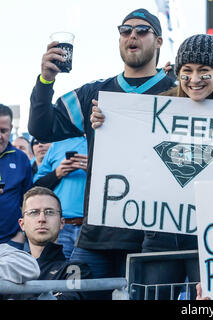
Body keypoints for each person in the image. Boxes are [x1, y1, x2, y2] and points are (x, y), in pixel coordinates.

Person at [27, 8, 174, 299]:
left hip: (155, 238)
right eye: (125, 30)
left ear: (158, 41)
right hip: (97, 236)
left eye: (142, 30)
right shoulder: (93, 93)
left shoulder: (177, 93)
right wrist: (45, 80)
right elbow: (41, 127)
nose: (132, 35)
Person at [91, 33, 213, 300]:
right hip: (160, 231)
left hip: (211, 236)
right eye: (187, 71)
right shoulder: (158, 106)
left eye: (204, 71)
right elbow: (128, 146)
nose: (194, 79)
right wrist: (104, 121)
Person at [11, 186, 91, 300]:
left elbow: (72, 297)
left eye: (49, 212)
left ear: (62, 222)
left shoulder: (75, 269)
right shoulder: (9, 269)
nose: (42, 219)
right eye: (34, 212)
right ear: (22, 224)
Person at [33, 136, 88, 259]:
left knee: (88, 275)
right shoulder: (57, 145)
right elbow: (37, 185)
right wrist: (57, 173)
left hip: (90, 228)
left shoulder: (101, 142)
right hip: (62, 226)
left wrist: (93, 169)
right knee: (58, 273)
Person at [0, 104, 33, 250]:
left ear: (11, 128)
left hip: (12, 242)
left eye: (3, 131)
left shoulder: (21, 158)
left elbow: (28, 200)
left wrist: (21, 235)